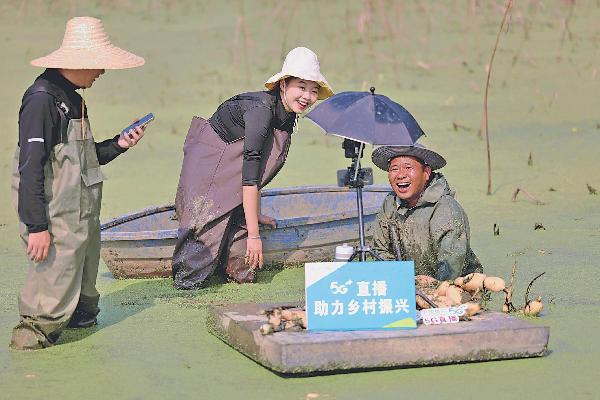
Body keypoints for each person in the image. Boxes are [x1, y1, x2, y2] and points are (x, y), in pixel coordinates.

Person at [11, 17, 147, 350]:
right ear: (81, 61)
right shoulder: (41, 99)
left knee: (83, 304)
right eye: (99, 65)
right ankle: (31, 353)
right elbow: (30, 168)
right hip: (56, 221)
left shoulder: (74, 98)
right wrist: (37, 226)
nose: (102, 72)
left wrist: (120, 143)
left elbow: (83, 160)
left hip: (84, 219)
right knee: (43, 311)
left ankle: (79, 321)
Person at [172, 47, 333, 289]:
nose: (307, 96)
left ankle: (233, 258)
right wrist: (255, 236)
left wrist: (254, 217)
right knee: (195, 267)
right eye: (301, 87)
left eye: (313, 91)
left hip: (237, 174)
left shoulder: (288, 115)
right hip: (208, 169)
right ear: (283, 85)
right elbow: (249, 178)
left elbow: (258, 173)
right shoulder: (260, 112)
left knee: (245, 267)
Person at [371, 144, 483, 280]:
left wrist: (431, 291)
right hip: (408, 286)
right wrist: (397, 282)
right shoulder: (389, 204)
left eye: (408, 168)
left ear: (426, 173)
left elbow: (451, 266)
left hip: (454, 287)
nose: (400, 175)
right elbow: (380, 251)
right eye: (394, 169)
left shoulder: (445, 208)